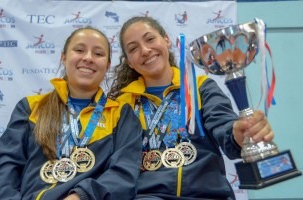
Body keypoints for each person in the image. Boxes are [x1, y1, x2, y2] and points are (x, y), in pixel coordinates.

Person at [108, 16, 274, 200]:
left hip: (209, 195)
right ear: (129, 61)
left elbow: (224, 126)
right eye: (133, 48)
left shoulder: (201, 87)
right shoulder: (123, 103)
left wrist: (238, 134)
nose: (145, 50)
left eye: (150, 39)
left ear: (166, 40)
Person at [0, 27, 143, 200]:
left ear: (108, 65)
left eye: (98, 54)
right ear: (64, 57)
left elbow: (123, 174)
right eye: (79, 50)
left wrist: (80, 196)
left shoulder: (121, 114)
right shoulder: (31, 107)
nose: (88, 58)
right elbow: (3, 171)